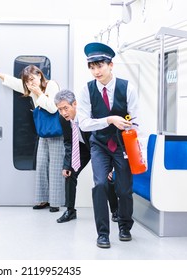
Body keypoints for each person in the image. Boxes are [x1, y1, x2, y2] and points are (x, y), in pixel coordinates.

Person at [77, 42, 139, 248]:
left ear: (110, 65)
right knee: (101, 185)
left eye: (100, 66)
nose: (96, 71)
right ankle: (102, 233)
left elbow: (138, 121)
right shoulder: (87, 90)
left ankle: (124, 226)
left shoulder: (127, 87)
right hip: (100, 145)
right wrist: (109, 119)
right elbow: (84, 124)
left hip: (123, 146)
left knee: (123, 190)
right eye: (92, 67)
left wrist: (139, 150)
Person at [0, 62, 64, 212]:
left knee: (55, 166)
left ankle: (55, 202)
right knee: (41, 164)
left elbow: (52, 108)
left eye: (32, 79)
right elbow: (14, 82)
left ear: (39, 75)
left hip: (56, 132)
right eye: (27, 81)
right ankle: (42, 199)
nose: (29, 83)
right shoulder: (29, 87)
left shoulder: (51, 85)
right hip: (43, 132)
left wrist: (38, 93)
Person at [54, 89, 118, 223]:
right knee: (70, 174)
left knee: (107, 177)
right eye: (60, 109)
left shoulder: (89, 115)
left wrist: (110, 166)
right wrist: (67, 165)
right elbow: (68, 142)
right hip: (82, 148)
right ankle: (70, 211)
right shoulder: (62, 119)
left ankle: (115, 210)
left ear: (75, 104)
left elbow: (107, 138)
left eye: (66, 108)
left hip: (99, 147)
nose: (63, 113)